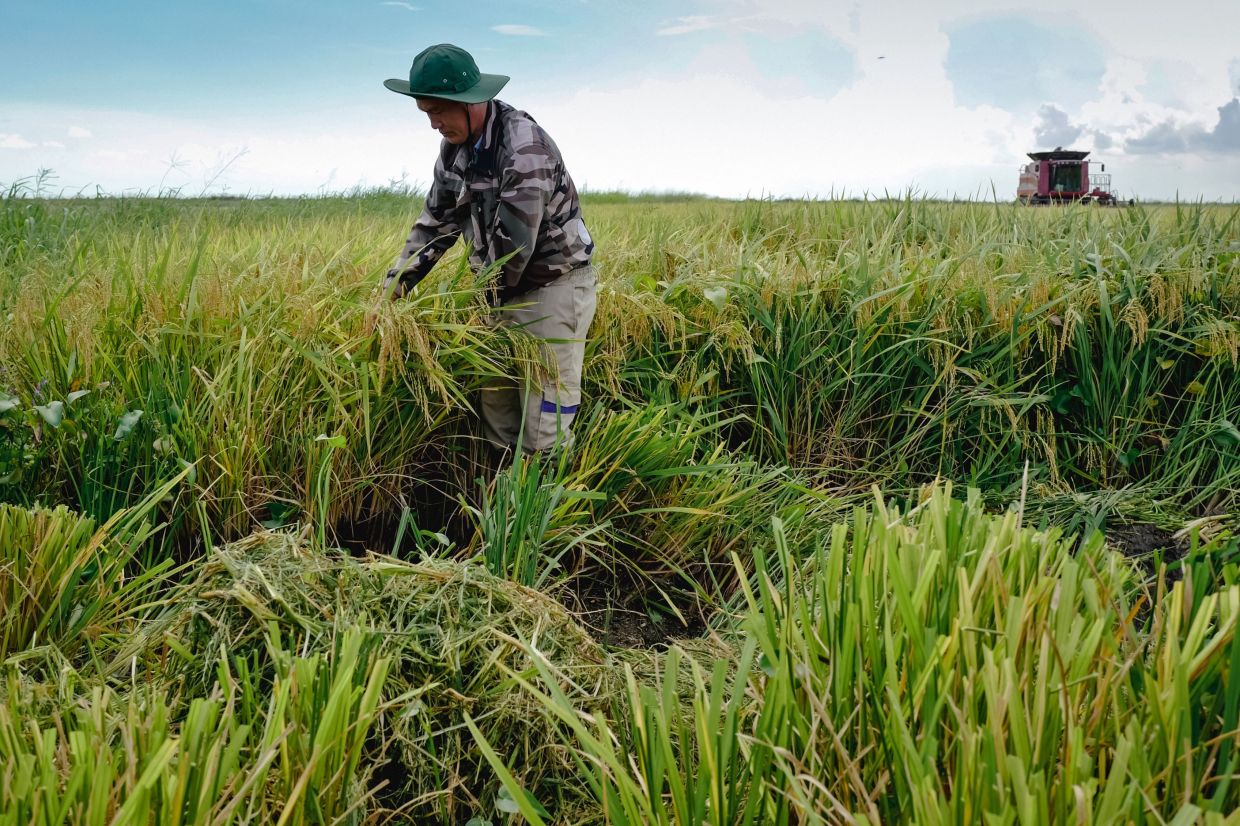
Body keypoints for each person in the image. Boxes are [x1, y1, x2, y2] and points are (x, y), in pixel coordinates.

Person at [382, 43, 597, 457]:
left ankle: (544, 519)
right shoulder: (455, 149)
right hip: (495, 291)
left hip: (551, 290)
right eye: (426, 113)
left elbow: (513, 252)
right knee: (496, 417)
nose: (433, 125)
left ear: (468, 101)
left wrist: (472, 306)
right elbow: (436, 223)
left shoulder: (523, 149)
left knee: (542, 428)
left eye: (437, 112)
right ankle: (500, 514)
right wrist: (393, 288)